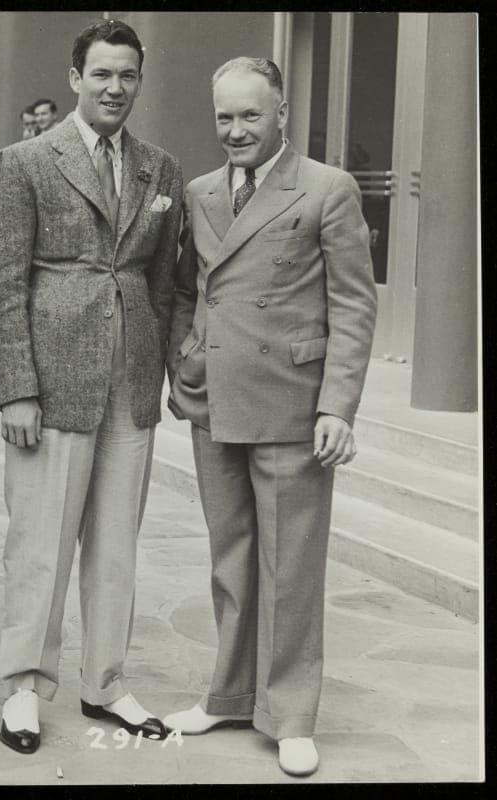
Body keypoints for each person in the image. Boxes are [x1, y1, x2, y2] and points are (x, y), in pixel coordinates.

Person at [161, 57, 377, 778]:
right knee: (230, 561)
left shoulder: (326, 188)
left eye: (249, 116)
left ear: (281, 112)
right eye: (223, 116)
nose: (235, 130)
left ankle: (288, 716)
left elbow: (352, 302)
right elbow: (187, 290)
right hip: (213, 397)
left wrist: (337, 407)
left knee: (289, 567)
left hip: (290, 403)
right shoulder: (198, 192)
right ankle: (226, 694)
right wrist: (185, 360)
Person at [0, 19, 183, 755]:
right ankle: (24, 689)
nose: (115, 88)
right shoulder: (24, 161)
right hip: (52, 380)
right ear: (74, 78)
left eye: (127, 75)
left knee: (116, 545)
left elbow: (162, 284)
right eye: (101, 73)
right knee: (39, 544)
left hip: (129, 383)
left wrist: (157, 370)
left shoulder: (159, 167)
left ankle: (106, 683)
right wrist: (16, 389)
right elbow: (1, 285)